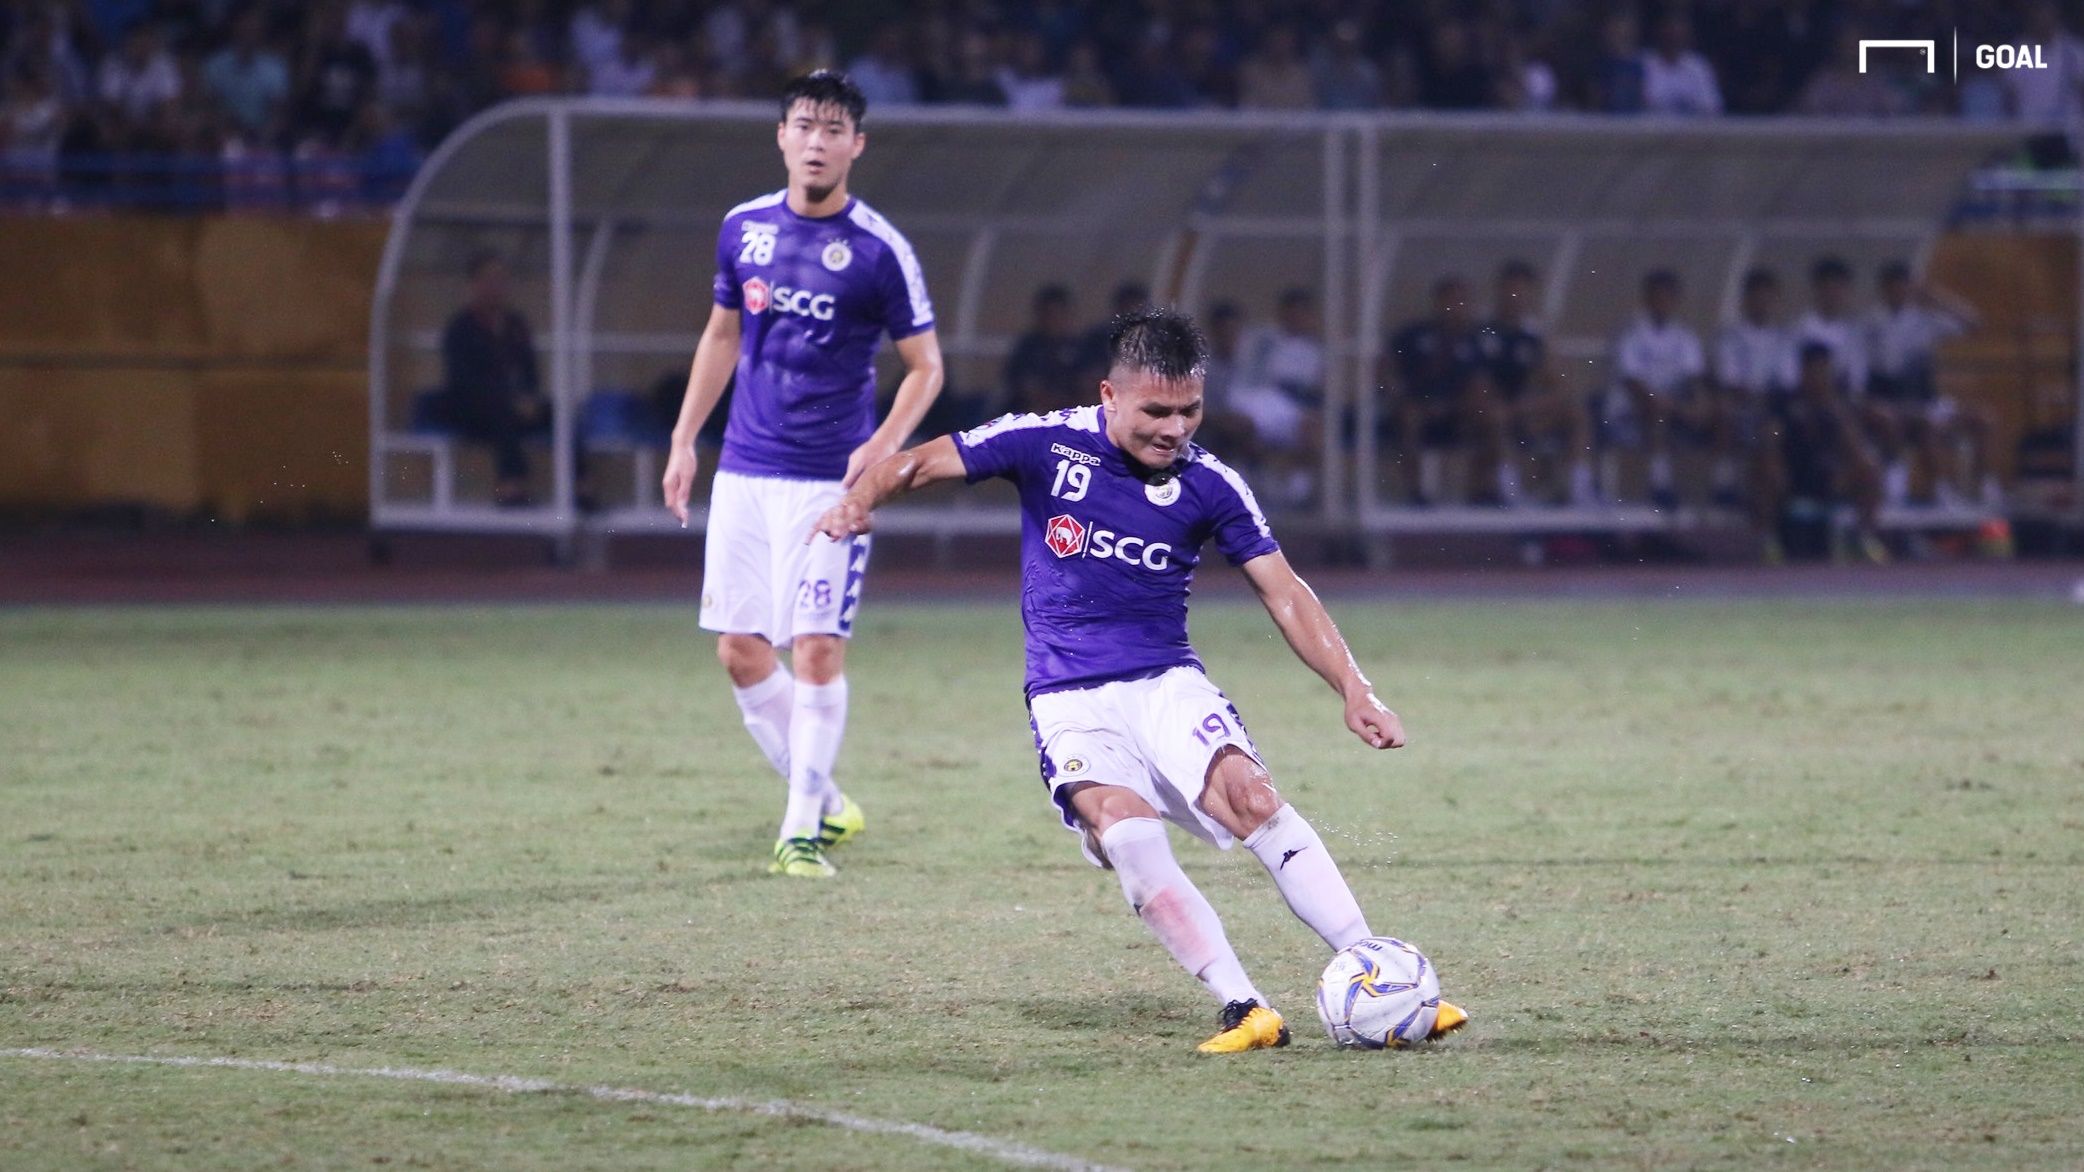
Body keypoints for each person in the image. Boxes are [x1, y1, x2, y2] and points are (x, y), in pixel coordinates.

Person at [809, 308, 1467, 1053]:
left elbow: (1284, 591)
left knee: (1253, 797)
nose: (1175, 427)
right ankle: (1243, 1006)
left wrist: (1355, 688)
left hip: (1166, 683)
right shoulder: (1043, 442)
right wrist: (858, 501)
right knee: (1127, 834)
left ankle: (1374, 970)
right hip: (1068, 699)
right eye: (1156, 410)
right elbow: (920, 461)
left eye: (1190, 410)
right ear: (1109, 396)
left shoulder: (1211, 483)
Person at [660, 70, 945, 879]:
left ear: (856, 144)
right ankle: (823, 799)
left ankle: (798, 832)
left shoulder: (880, 249)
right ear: (781, 135)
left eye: (832, 129)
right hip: (746, 473)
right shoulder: (742, 228)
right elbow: (721, 337)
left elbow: (926, 367)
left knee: (817, 650)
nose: (816, 141)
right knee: (741, 654)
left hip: (831, 483)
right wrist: (685, 439)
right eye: (803, 126)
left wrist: (885, 444)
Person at [1862, 261, 1993, 507]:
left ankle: (1979, 488)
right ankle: (1938, 489)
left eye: (1904, 286)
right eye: (1893, 287)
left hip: (1928, 401)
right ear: (1884, 289)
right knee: (1927, 423)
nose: (1899, 291)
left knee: (1982, 419)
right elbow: (1887, 370)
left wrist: (1937, 297)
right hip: (1895, 403)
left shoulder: (1924, 319)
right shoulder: (1872, 322)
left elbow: (1974, 323)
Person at [1473, 259, 1596, 506]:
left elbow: (1559, 383)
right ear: (1500, 290)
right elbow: (1477, 383)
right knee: (1496, 415)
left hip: (1522, 410)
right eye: (1511, 289)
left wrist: (1530, 405)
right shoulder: (1483, 329)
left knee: (1576, 412)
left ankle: (1580, 488)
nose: (1515, 296)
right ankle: (1510, 492)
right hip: (1488, 413)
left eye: (1522, 290)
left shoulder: (1535, 334)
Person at [1761, 342, 1887, 563]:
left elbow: (1855, 447)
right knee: (1765, 469)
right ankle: (1770, 540)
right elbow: (1772, 436)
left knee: (1869, 467)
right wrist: (1774, 461)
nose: (1821, 377)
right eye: (1816, 370)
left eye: (1826, 371)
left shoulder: (1837, 405)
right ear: (1804, 371)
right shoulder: (1785, 401)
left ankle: (1862, 536)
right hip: (1793, 474)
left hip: (1828, 476)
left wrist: (1835, 413)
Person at [439, 249, 546, 506]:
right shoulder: (460, 328)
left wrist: (529, 397)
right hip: (471, 407)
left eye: (501, 280)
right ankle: (510, 484)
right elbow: (462, 379)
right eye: (489, 279)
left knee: (559, 413)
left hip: (514, 404)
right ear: (474, 284)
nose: (496, 286)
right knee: (502, 411)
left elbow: (530, 370)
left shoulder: (516, 325)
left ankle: (581, 483)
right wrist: (508, 397)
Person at [1607, 269, 1720, 507]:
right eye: (1657, 296)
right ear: (1647, 299)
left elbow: (1695, 379)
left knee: (1720, 413)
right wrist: (1671, 406)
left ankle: (1721, 484)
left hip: (1674, 408)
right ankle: (1661, 483)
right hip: (1632, 411)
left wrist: (1701, 405)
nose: (1662, 303)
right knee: (1657, 411)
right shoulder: (1631, 333)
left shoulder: (1685, 337)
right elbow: (1633, 383)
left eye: (1668, 297)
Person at [1383, 275, 1486, 505]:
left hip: (1457, 410)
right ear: (1438, 302)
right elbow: (1386, 368)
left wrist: (1455, 405)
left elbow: (1480, 382)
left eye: (1461, 302)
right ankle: (1415, 490)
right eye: (1450, 301)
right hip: (1417, 406)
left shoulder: (1474, 340)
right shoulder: (1412, 334)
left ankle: (1482, 490)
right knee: (1408, 417)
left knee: (1488, 416)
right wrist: (1397, 395)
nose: (1455, 308)